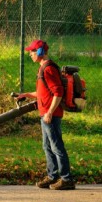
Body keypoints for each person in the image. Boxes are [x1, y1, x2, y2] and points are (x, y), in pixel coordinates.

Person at [17, 39, 75, 190]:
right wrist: (26, 95)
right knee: (47, 146)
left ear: (41, 52)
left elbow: (58, 92)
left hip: (51, 115)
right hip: (45, 114)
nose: (30, 54)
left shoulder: (48, 69)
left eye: (32, 51)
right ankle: (52, 176)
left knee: (56, 146)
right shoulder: (43, 68)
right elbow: (43, 92)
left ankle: (66, 179)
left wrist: (49, 112)